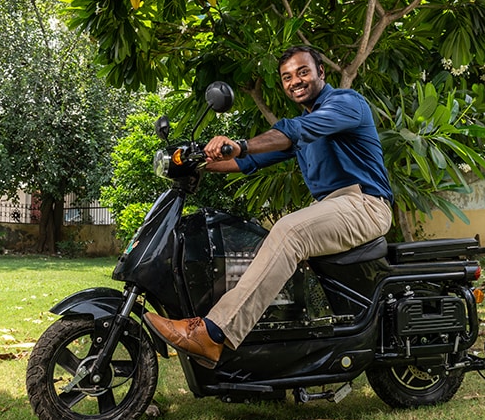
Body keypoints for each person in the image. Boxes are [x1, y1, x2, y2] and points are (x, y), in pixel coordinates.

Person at [144, 45, 393, 368]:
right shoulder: (306, 124)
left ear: (321, 72)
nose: (296, 81)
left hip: (365, 204)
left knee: (290, 230)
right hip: (336, 206)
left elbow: (295, 132)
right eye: (287, 77)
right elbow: (251, 160)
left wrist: (240, 145)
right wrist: (196, 162)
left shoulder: (346, 104)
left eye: (303, 72)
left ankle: (213, 332)